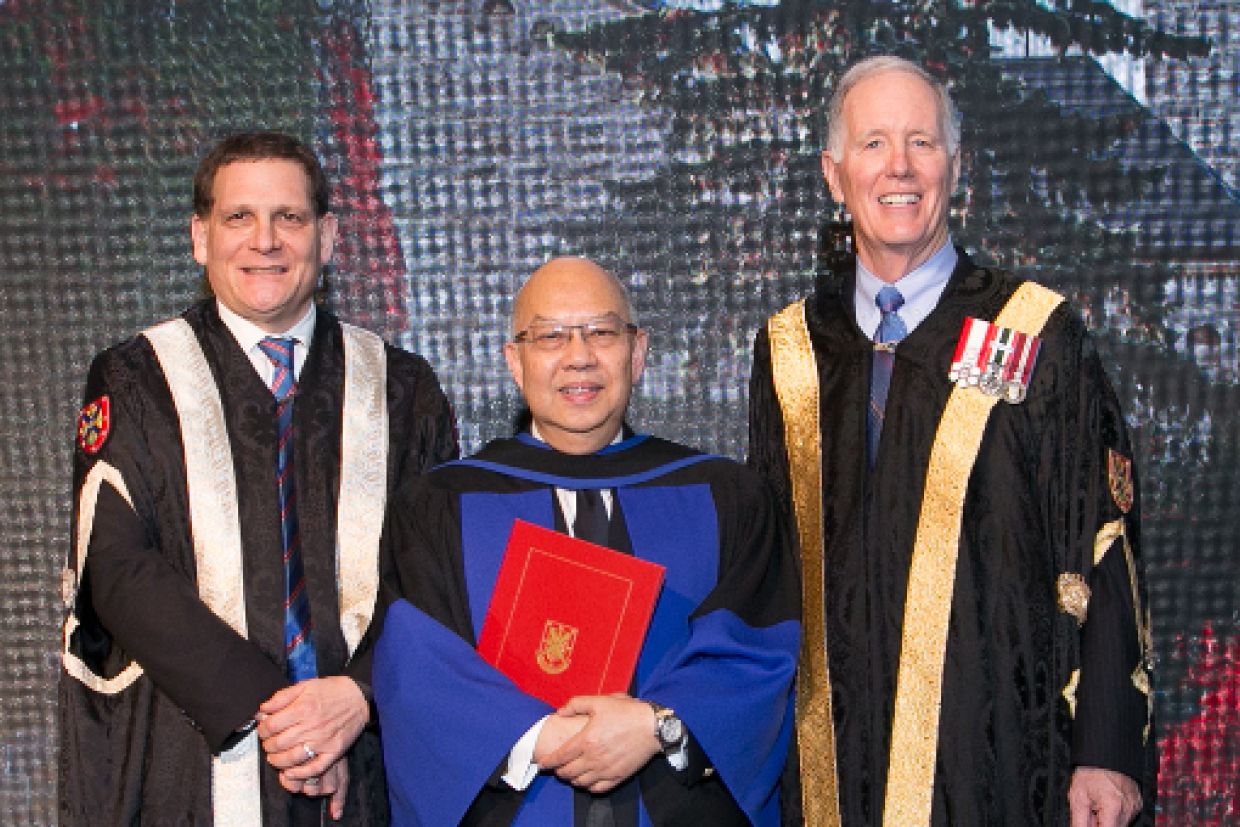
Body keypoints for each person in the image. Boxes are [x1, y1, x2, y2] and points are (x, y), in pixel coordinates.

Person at [747, 57, 1154, 826]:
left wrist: (1105, 747)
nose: (899, 166)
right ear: (836, 175)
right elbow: (763, 566)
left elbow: (1104, 539)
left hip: (996, 754)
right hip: (828, 759)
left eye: (921, 142)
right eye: (873, 143)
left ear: (955, 166)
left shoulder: (1035, 330)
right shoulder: (790, 352)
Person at [59, 130, 458, 825]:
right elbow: (118, 571)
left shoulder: (403, 389)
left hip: (365, 755)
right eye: (239, 217)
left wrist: (356, 695)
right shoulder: (135, 377)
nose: (264, 240)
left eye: (290, 217)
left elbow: (434, 575)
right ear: (199, 236)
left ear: (328, 236)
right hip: (193, 747)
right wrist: (278, 714)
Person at [375, 256, 800, 825]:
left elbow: (757, 650)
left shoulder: (725, 495)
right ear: (515, 363)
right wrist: (537, 738)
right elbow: (418, 665)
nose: (579, 356)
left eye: (602, 332)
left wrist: (658, 724)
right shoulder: (439, 505)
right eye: (549, 336)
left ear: (638, 352)